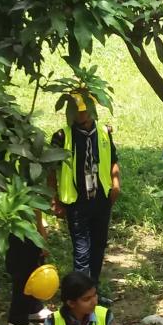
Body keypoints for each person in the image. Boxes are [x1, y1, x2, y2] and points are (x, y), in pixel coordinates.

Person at [50, 93, 121, 285]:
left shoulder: (104, 132)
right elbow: (51, 169)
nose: (80, 115)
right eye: (76, 111)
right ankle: (81, 293)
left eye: (84, 110)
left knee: (99, 246)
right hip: (76, 201)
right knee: (82, 251)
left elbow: (113, 160)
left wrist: (115, 185)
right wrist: (54, 198)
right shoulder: (61, 136)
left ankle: (93, 291)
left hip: (101, 199)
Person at [6, 210, 52, 325]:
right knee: (24, 275)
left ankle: (33, 309)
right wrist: (41, 238)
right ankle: (18, 321)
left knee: (33, 271)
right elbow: (35, 211)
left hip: (27, 231)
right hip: (22, 233)